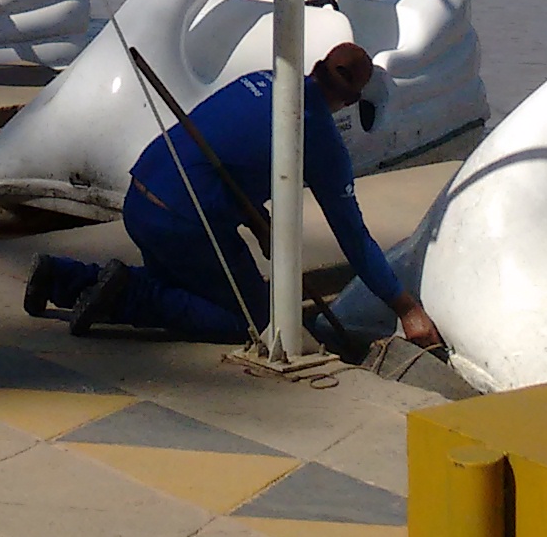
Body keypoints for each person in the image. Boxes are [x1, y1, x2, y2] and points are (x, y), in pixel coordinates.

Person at [23, 43, 442, 353]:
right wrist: (405, 308)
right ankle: (128, 292)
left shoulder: (261, 79)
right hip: (182, 222)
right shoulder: (321, 142)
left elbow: (226, 152)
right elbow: (353, 238)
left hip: (141, 197)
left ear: (316, 68)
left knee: (187, 289)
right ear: (350, 102)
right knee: (253, 322)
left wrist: (257, 218)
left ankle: (63, 276)